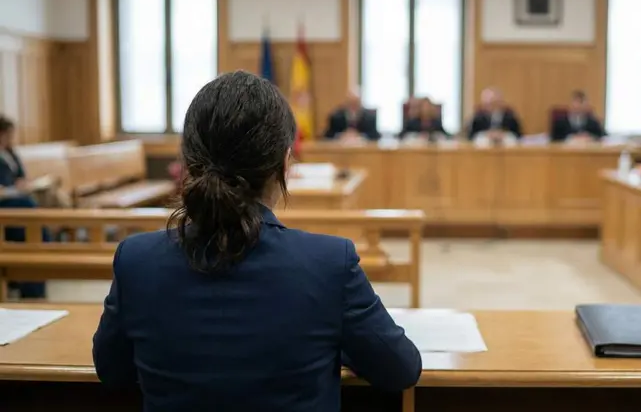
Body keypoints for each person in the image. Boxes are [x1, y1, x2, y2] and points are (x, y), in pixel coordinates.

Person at [93, 71, 421, 411]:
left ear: (188, 163)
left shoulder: (136, 260)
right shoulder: (329, 264)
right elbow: (401, 369)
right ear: (284, 163)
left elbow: (112, 371)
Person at [0, 115, 46, 299]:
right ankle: (30, 287)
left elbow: (21, 176)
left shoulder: (11, 153)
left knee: (35, 225)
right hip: (5, 206)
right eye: (7, 134)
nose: (10, 138)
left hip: (17, 200)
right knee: (28, 210)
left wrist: (24, 185)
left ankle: (34, 288)